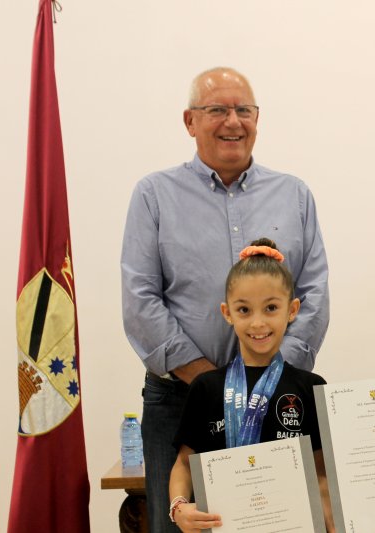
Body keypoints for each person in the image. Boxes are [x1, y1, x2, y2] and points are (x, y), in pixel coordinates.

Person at [121, 67, 329, 532]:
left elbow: (313, 293)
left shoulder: (294, 194)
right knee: (179, 524)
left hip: (281, 401)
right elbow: (140, 301)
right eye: (217, 109)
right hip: (179, 399)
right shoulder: (154, 196)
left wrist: (270, 376)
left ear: (258, 118)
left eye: (244, 110)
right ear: (189, 121)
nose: (233, 121)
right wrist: (210, 384)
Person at [168, 238, 334, 532]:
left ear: (292, 309)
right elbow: (184, 464)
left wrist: (332, 525)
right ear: (227, 312)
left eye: (271, 307)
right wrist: (179, 507)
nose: (258, 323)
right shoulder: (206, 388)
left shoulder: (310, 387)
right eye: (244, 310)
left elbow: (320, 476)